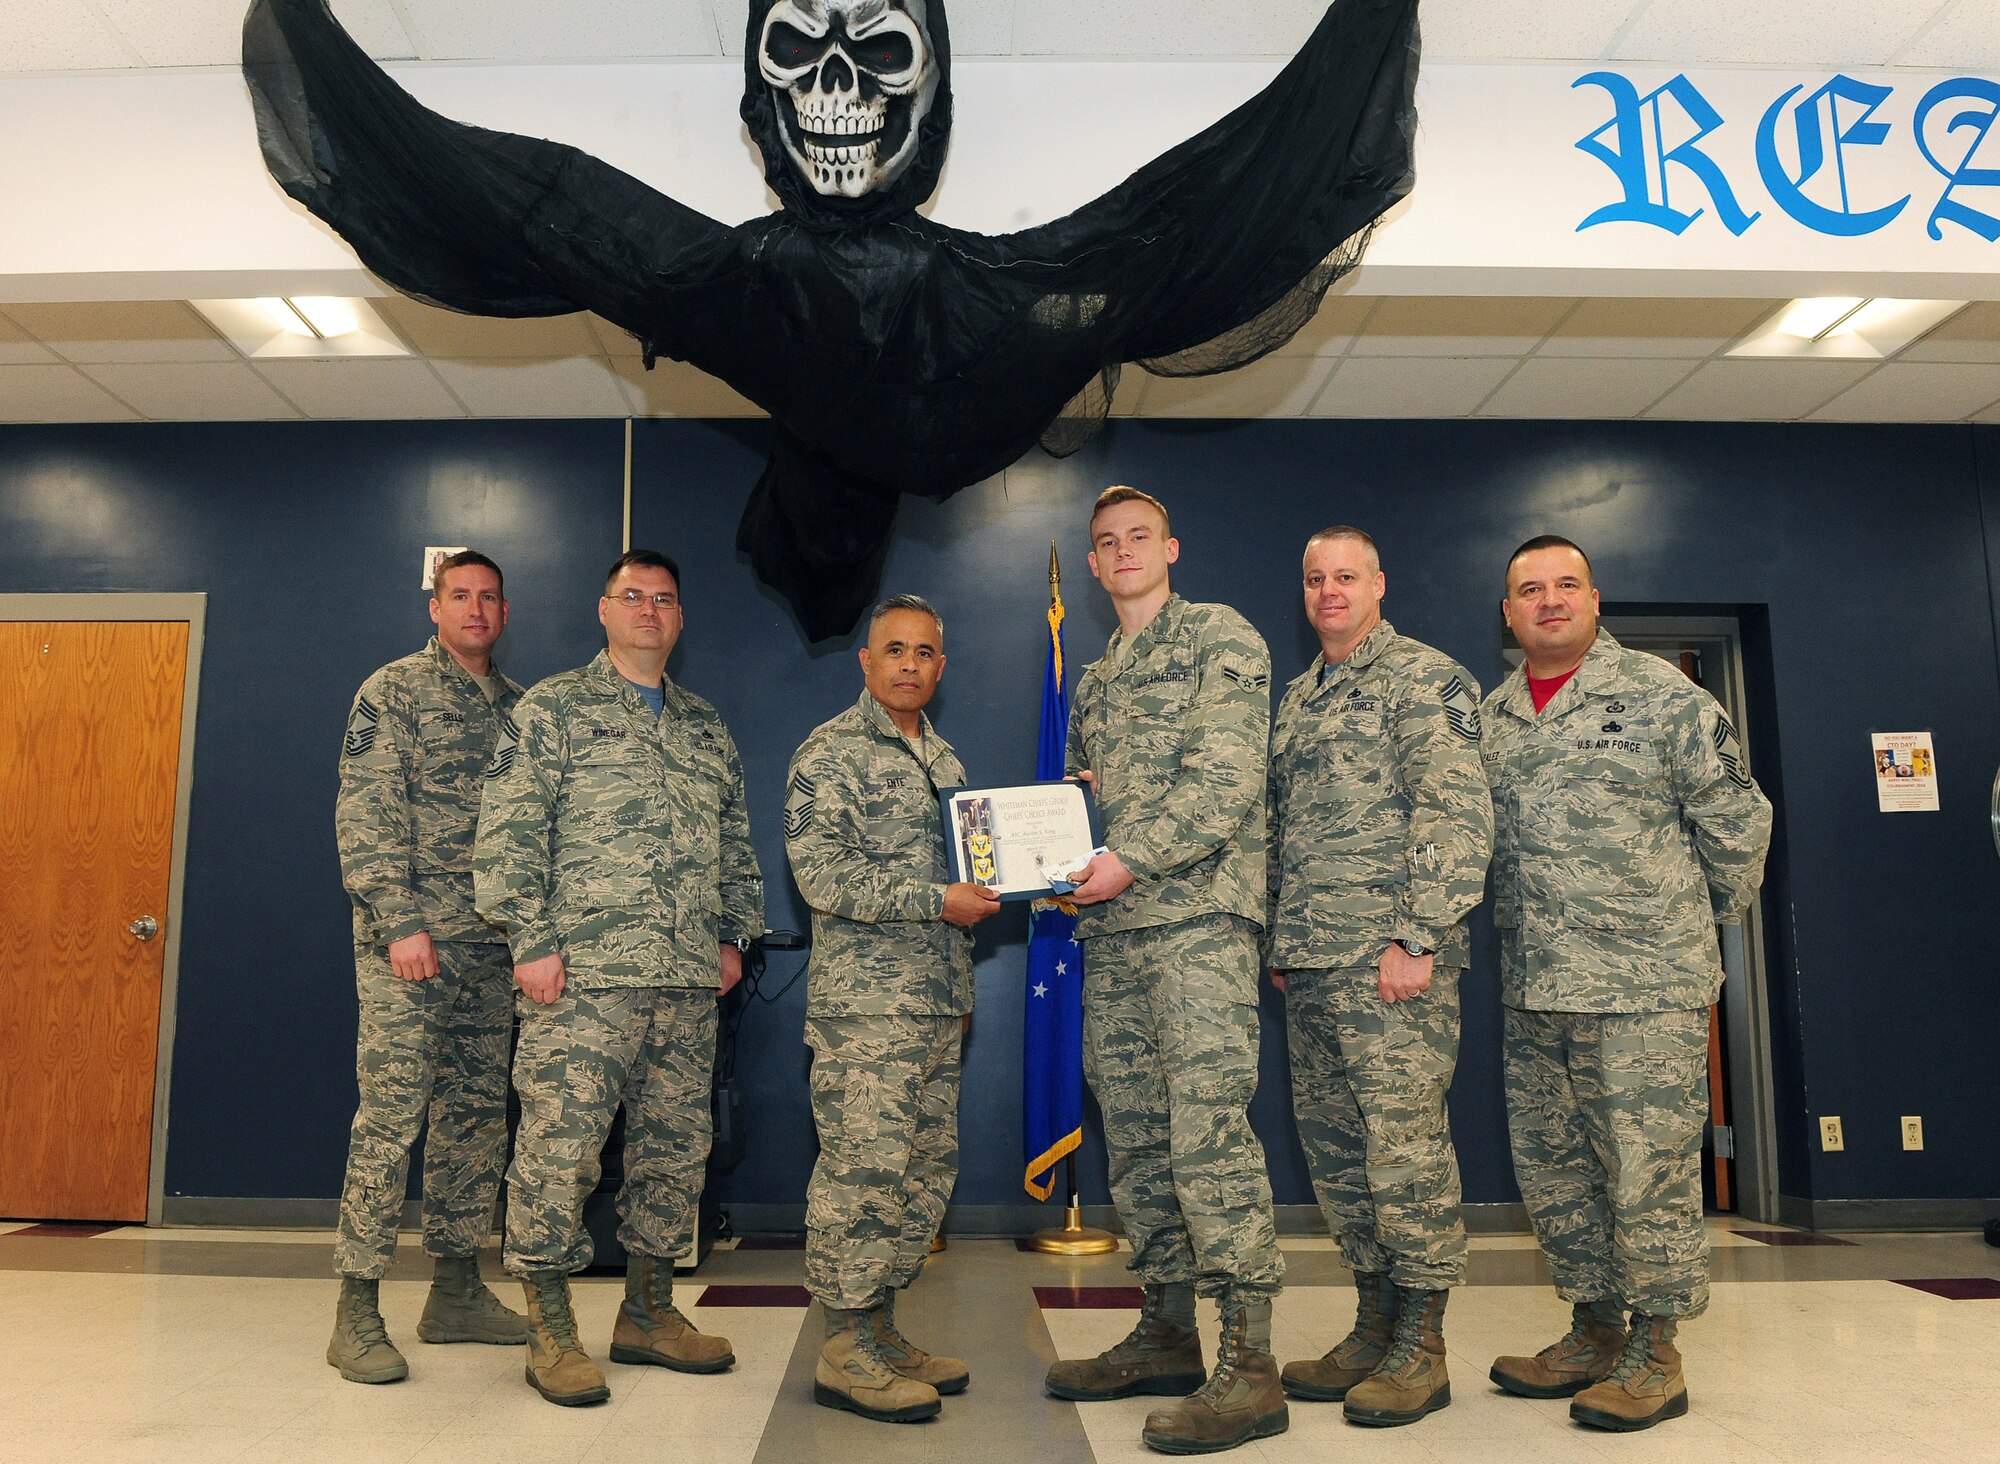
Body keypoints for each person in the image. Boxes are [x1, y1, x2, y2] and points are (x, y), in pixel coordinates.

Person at [1481, 536, 1771, 1432]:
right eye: (1531, 589)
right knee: (1558, 1170)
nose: (1550, 600)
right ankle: (1595, 1329)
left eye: (1567, 584)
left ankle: (1657, 1350)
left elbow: (1737, 823)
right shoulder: (1491, 718)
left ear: (1596, 599)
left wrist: (1679, 927)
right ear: (1509, 612)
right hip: (1535, 986)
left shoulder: (1664, 697)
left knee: (1648, 1173)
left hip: (1644, 989)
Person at [473, 549, 764, 1407]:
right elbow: (509, 831)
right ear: (603, 611)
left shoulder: (704, 724)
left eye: (663, 599)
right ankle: (550, 1328)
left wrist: (732, 936)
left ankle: (648, 1313)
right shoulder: (553, 707)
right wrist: (531, 940)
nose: (649, 610)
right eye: (632, 596)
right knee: (560, 1153)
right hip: (583, 979)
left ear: (680, 618)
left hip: (684, 979)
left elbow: (734, 841)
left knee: (674, 1152)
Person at [1048, 486, 1287, 1456]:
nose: (1123, 552)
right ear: (1093, 566)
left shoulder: (1220, 638)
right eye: (1106, 543)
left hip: (1197, 926)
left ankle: (1251, 1363)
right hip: (1113, 936)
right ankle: (1167, 1331)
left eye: (1138, 536)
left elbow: (1225, 782)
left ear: (1170, 548)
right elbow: (1081, 798)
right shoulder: (1096, 681)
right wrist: (1071, 827)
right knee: (1141, 1142)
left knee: (1207, 1137)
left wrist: (1128, 854)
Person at [1266, 527, 1492, 1427]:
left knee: (1404, 1150)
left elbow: (1455, 810)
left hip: (1393, 962)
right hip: (1314, 962)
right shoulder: (1298, 699)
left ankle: (1422, 1345)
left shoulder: (1425, 678)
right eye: (1315, 578)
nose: (1329, 591)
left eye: (1346, 576)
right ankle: (1374, 1324)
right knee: (1337, 1155)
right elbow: (1281, 827)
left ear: (1379, 585)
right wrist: (1282, 940)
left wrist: (1419, 935)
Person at [783, 595, 1003, 1423]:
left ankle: (878, 1327)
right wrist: (935, 900)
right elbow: (822, 876)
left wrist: (959, 984)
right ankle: (843, 1347)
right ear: (866, 661)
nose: (910, 664)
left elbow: (976, 879)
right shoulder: (829, 753)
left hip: (937, 1004)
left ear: (941, 667)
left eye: (924, 653)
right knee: (862, 1174)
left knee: (922, 1172)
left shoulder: (947, 762)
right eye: (895, 650)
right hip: (867, 1012)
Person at [328, 550, 528, 1384]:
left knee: (475, 1120)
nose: (475, 610)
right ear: (434, 608)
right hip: (410, 950)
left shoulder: (520, 709)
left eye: (489, 598)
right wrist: (400, 921)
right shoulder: (394, 691)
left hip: (490, 951)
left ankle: (455, 1290)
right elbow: (365, 813)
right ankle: (356, 1309)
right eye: (460, 596)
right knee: (390, 1120)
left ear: (504, 613)